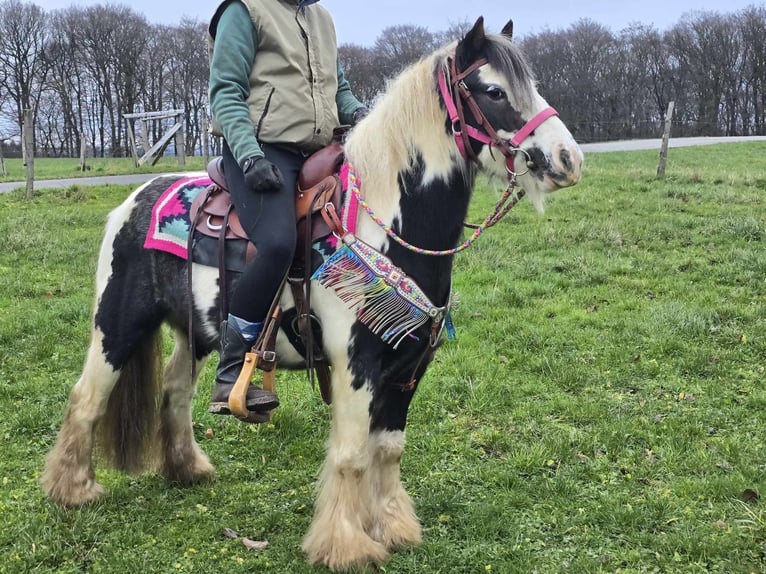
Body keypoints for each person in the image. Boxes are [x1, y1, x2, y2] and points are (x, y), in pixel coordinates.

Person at [207, 0, 368, 418]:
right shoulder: (245, 11)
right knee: (277, 243)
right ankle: (230, 370)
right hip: (262, 150)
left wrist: (361, 116)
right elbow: (226, 90)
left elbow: (340, 87)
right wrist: (248, 156)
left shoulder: (323, 18)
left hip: (320, 150)